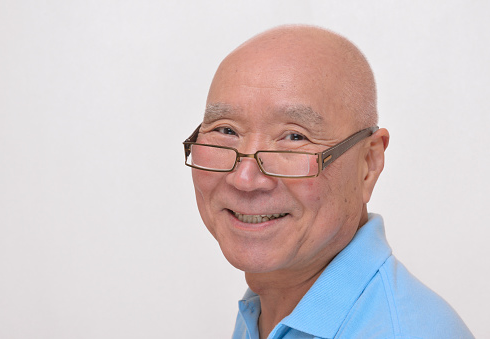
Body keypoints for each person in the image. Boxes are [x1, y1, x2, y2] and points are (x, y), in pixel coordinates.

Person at [183, 25, 473, 339]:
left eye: (294, 137)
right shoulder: (272, 303)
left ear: (368, 163)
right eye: (226, 131)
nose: (245, 179)